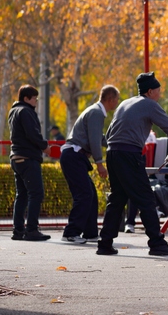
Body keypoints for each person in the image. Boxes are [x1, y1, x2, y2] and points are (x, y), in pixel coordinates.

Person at [97, 72, 168, 256]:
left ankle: (104, 243)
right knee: (146, 198)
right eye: (158, 91)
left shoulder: (124, 103)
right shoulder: (150, 105)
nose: (159, 95)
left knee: (117, 199)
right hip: (129, 154)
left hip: (113, 153)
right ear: (150, 91)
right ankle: (157, 243)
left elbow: (110, 132)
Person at [59, 85, 120, 244]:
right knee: (84, 194)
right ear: (110, 99)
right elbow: (94, 141)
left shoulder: (94, 111)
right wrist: (99, 163)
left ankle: (90, 233)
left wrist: (115, 143)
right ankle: (71, 233)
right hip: (74, 155)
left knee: (90, 194)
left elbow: (98, 138)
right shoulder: (97, 113)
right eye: (117, 99)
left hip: (73, 155)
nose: (117, 103)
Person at [8, 84, 51, 241]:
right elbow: (32, 134)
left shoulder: (14, 111)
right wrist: (44, 146)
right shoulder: (26, 111)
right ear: (26, 98)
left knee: (22, 195)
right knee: (36, 193)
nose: (36, 102)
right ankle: (32, 229)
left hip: (16, 157)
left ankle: (18, 230)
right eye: (34, 99)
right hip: (27, 157)